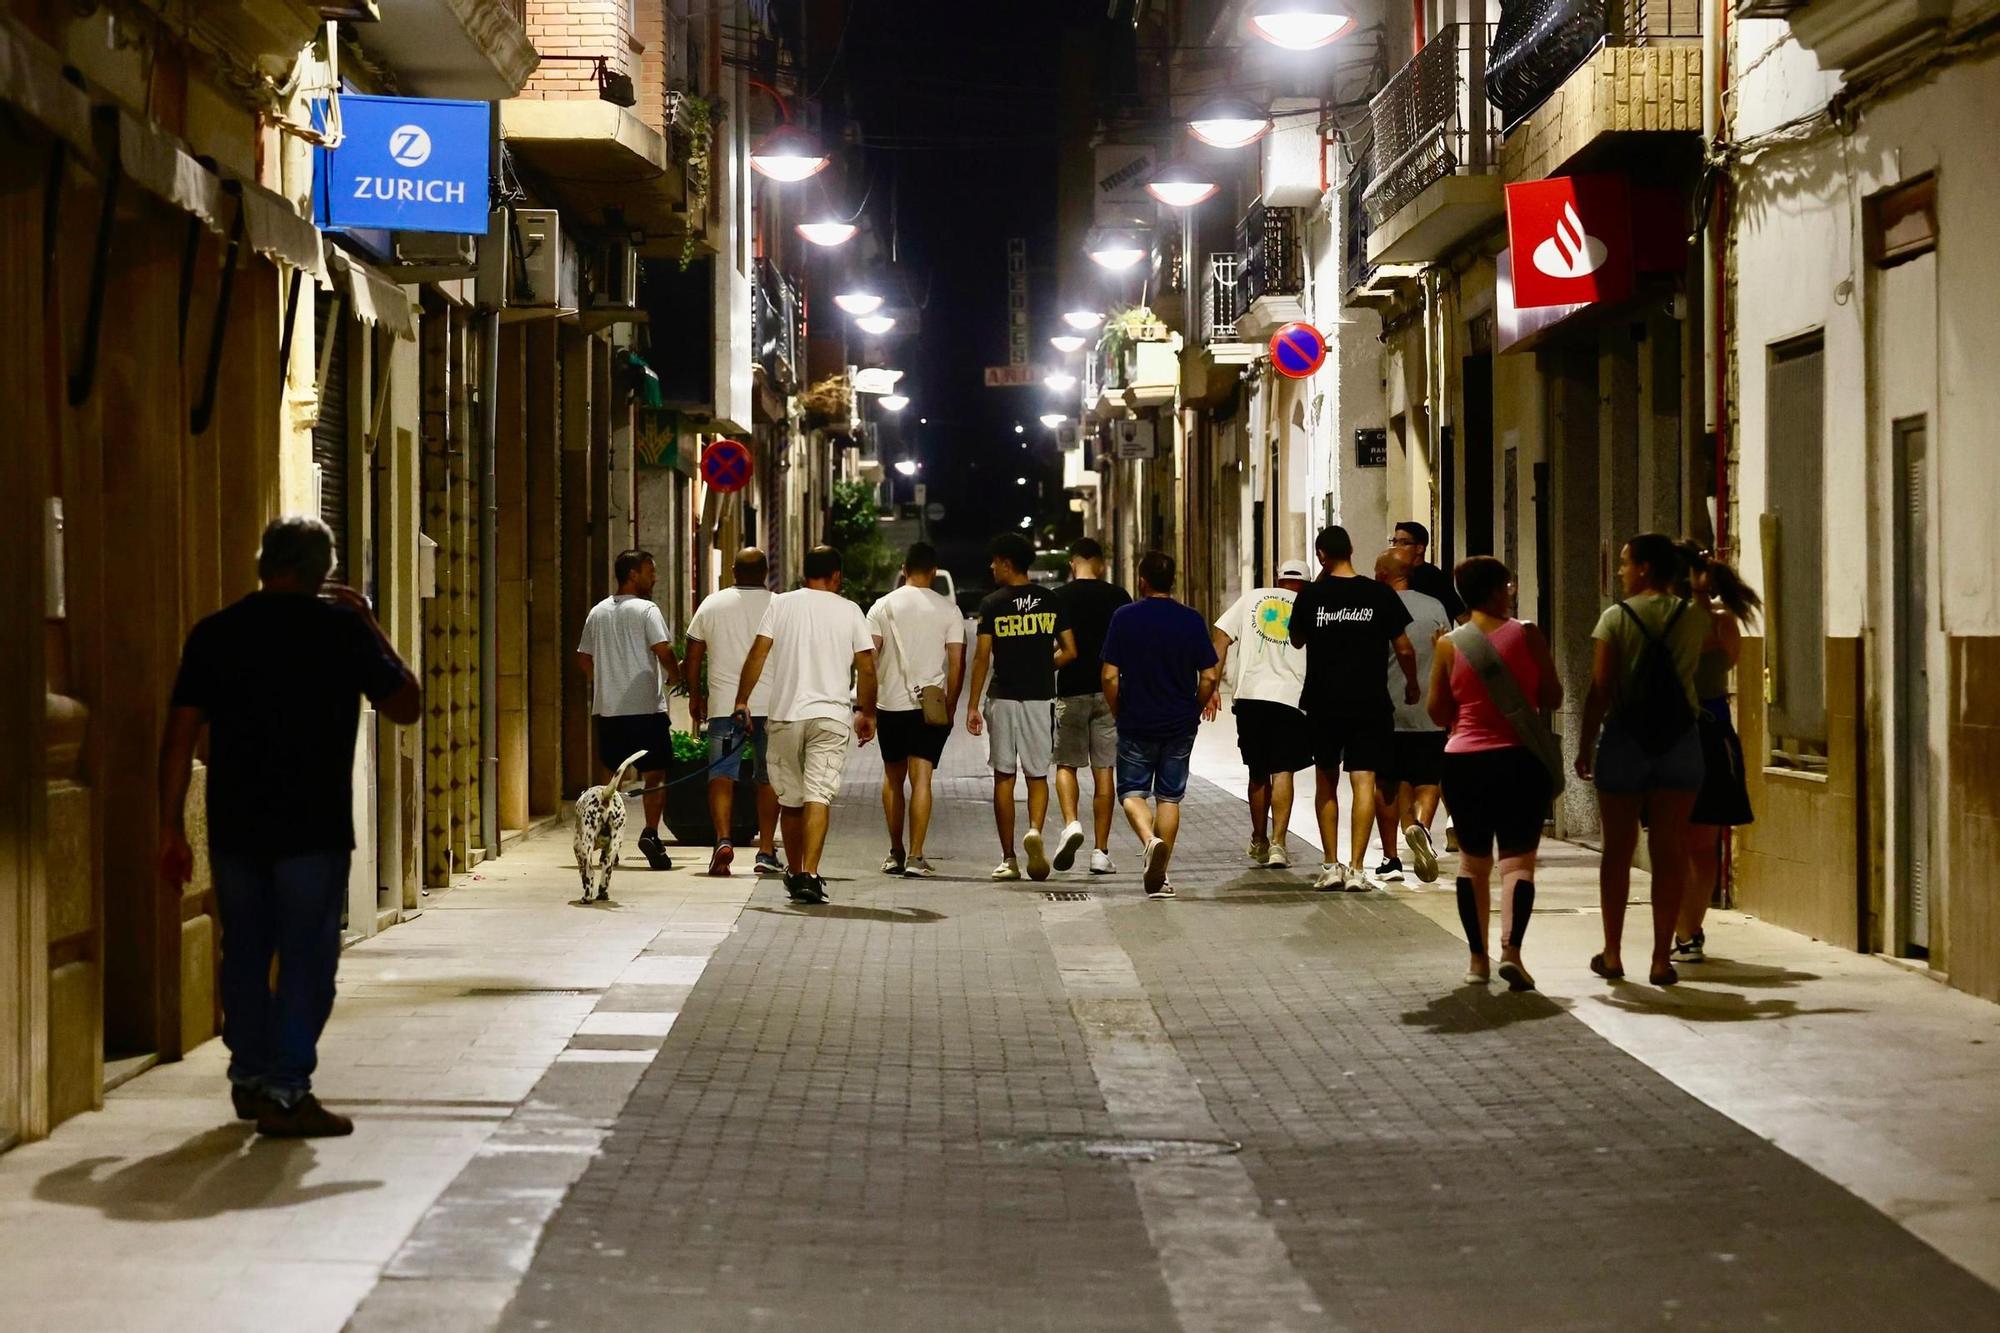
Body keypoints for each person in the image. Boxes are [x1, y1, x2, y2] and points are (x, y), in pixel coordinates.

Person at [158, 516, 420, 1138]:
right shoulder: (342, 631)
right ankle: (285, 1090)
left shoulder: (217, 634)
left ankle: (250, 1075)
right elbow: (406, 705)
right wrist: (371, 622)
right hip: (313, 830)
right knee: (305, 958)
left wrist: (169, 825)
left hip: (236, 827)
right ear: (323, 571)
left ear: (263, 564)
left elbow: (178, 736)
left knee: (243, 951)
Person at [1575, 533, 1708, 987]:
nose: (1621, 571)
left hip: (1626, 740)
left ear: (1646, 568)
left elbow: (1600, 686)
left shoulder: (1616, 617)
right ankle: (1660, 958)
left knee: (1617, 850)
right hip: (1679, 740)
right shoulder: (1693, 617)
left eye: (1626, 563)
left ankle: (1612, 954)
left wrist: (1584, 742)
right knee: (1670, 850)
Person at [1427, 556, 1564, 991]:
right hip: (1519, 761)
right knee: (1517, 863)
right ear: (1498, 589)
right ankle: (1512, 953)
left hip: (1464, 761)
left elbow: (1437, 711)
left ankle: (1476, 961)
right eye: (1508, 583)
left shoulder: (1449, 644)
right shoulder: (1527, 635)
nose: (1512, 589)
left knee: (1472, 863)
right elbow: (1553, 695)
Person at [731, 545, 878, 905]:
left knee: (792, 800)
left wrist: (741, 700)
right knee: (818, 795)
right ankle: (810, 874)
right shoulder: (850, 611)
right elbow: (867, 667)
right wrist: (868, 713)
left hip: (785, 715)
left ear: (802, 573)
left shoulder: (780, 604)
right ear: (837, 576)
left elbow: (758, 653)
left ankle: (796, 873)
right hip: (830, 716)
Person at [1289, 525, 1421, 892]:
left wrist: (1318, 590)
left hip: (1323, 700)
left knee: (1326, 780)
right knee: (1363, 782)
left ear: (1321, 556)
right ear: (1351, 550)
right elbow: (1405, 647)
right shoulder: (1378, 593)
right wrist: (1411, 684)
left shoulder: (1312, 596)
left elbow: (1296, 640)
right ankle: (1358, 869)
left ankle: (1331, 865)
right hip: (1370, 701)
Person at [1100, 551, 1220, 899]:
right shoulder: (1191, 620)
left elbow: (1109, 675)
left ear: (1142, 580)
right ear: (1174, 581)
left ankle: (1150, 841)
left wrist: (1118, 709)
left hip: (1136, 719)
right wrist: (1194, 707)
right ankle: (1161, 877)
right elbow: (1210, 676)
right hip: (1178, 722)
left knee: (1132, 792)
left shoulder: (1124, 618)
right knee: (1170, 797)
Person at [967, 532, 1075, 881]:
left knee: (1003, 775)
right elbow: (1071, 650)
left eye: (995, 561)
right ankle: (1035, 831)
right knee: (1037, 773)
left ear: (1007, 563)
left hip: (1004, 697)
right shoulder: (1050, 600)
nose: (991, 567)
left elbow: (982, 657)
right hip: (1039, 696)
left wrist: (972, 704)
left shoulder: (992, 604)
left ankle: (1009, 858)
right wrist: (1046, 666)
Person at [1674, 543, 1761, 963]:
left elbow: (1716, 659)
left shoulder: (1719, 621)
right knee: (1681, 841)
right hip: (1678, 733)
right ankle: (1683, 928)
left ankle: (1689, 929)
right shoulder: (1660, 618)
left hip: (1704, 731)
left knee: (1702, 840)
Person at [577, 548, 681, 871]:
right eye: (650, 571)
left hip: (609, 711)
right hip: (646, 710)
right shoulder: (647, 611)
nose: (655, 577)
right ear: (633, 575)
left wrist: (607, 681)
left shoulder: (597, 612)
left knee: (611, 778)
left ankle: (608, 836)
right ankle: (650, 832)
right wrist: (677, 677)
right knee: (656, 774)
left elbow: (583, 658)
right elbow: (663, 651)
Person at [1207, 558, 1313, 870]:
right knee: (1283, 770)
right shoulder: (1308, 605)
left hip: (1251, 696)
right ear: (1306, 584)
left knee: (1257, 771)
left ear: (1278, 579)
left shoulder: (1252, 598)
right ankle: (1279, 843)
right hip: (1290, 698)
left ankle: (1259, 838)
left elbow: (1221, 636)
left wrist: (1212, 683)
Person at [868, 542, 967, 877]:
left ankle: (895, 852)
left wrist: (865, 705)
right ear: (934, 572)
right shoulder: (948, 610)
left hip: (889, 704)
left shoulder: (882, 607)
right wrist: (952, 705)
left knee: (893, 779)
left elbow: (869, 657)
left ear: (903, 568)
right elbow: (956, 662)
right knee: (921, 779)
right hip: (929, 707)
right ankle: (916, 856)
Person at [683, 548, 782, 878]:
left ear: (733, 571)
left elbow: (693, 653)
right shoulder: (780, 605)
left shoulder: (712, 604)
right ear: (766, 572)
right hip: (772, 706)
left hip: (726, 707)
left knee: (721, 775)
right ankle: (766, 850)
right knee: (768, 779)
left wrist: (696, 695)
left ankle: (723, 840)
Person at [1048, 537, 1130, 875]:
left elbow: (1055, 646)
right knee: (1104, 771)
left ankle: (1071, 824)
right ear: (1098, 562)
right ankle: (1100, 851)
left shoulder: (1058, 598)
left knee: (1066, 764)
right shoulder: (1117, 597)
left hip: (1070, 690)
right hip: (1108, 691)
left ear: (1072, 562)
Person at [1371, 548, 1452, 883]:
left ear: (1386, 574)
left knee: (1387, 782)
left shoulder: (1377, 608)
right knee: (1428, 779)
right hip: (1429, 711)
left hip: (1386, 709)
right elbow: (1449, 652)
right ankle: (1419, 825)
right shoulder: (1435, 607)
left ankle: (1391, 860)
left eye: (1377, 569)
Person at [1391, 520, 1467, 624]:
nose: (1396, 547)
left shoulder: (1436, 578)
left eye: (1403, 542)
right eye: (1395, 541)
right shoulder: (1394, 575)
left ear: (1419, 548)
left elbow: (1461, 615)